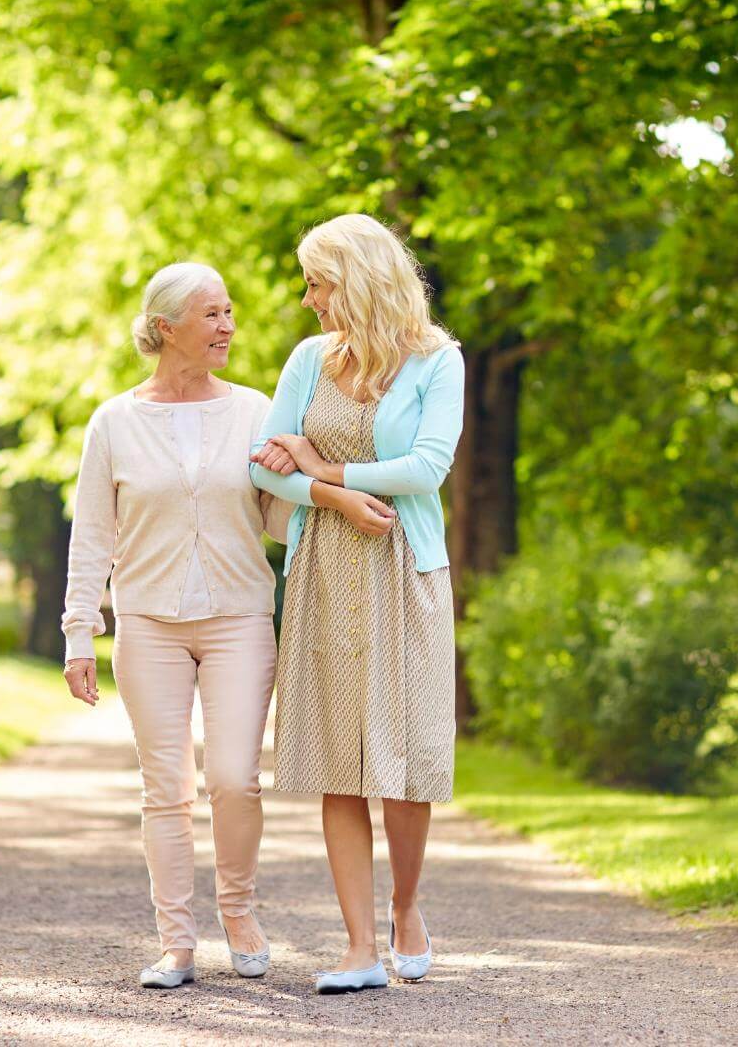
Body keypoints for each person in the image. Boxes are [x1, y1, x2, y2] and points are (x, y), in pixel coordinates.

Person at [61, 262, 292, 989]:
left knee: (233, 778)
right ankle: (176, 943)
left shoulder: (255, 410)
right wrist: (78, 630)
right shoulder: (115, 421)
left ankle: (239, 911)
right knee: (166, 788)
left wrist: (300, 467)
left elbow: (281, 524)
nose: (228, 327)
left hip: (239, 616)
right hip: (149, 623)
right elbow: (92, 534)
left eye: (230, 312)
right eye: (212, 315)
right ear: (166, 329)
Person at [250, 214, 464, 995]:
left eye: (318, 282)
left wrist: (322, 467)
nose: (307, 299)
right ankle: (358, 947)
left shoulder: (439, 362)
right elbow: (264, 463)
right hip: (324, 571)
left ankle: (408, 912)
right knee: (341, 763)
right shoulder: (310, 359)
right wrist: (324, 495)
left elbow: (426, 469)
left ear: (360, 279)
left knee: (402, 761)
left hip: (407, 571)